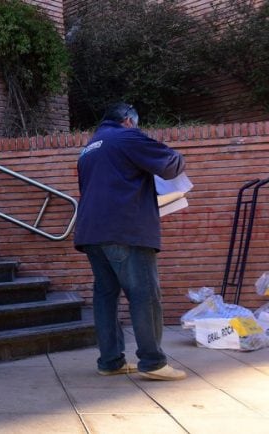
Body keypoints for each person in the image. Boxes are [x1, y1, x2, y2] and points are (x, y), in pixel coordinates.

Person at [74, 102, 187, 381]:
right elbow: (171, 166)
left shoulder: (88, 149)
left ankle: (110, 361)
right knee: (145, 294)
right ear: (128, 120)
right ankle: (153, 362)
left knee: (105, 296)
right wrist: (176, 155)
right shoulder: (126, 136)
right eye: (136, 124)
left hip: (91, 233)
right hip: (125, 230)